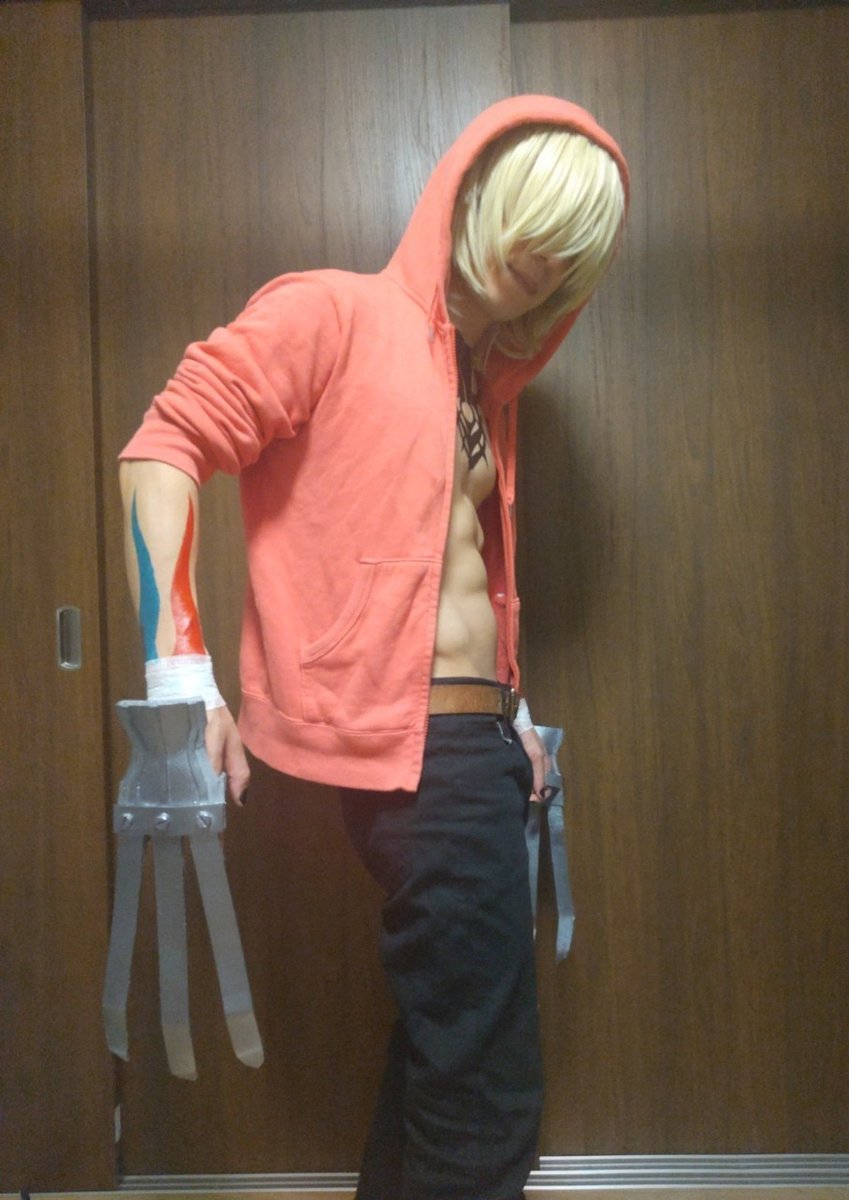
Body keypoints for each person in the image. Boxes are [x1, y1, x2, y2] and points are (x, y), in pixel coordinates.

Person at [119, 94, 628, 1200]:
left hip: (474, 748)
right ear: (474, 188)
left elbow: (460, 571)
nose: (547, 255)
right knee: (487, 1093)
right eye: (539, 215)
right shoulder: (335, 314)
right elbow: (163, 447)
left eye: (575, 245)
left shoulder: (484, 391)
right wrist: (179, 674)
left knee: (448, 1050)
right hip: (420, 760)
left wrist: (514, 712)